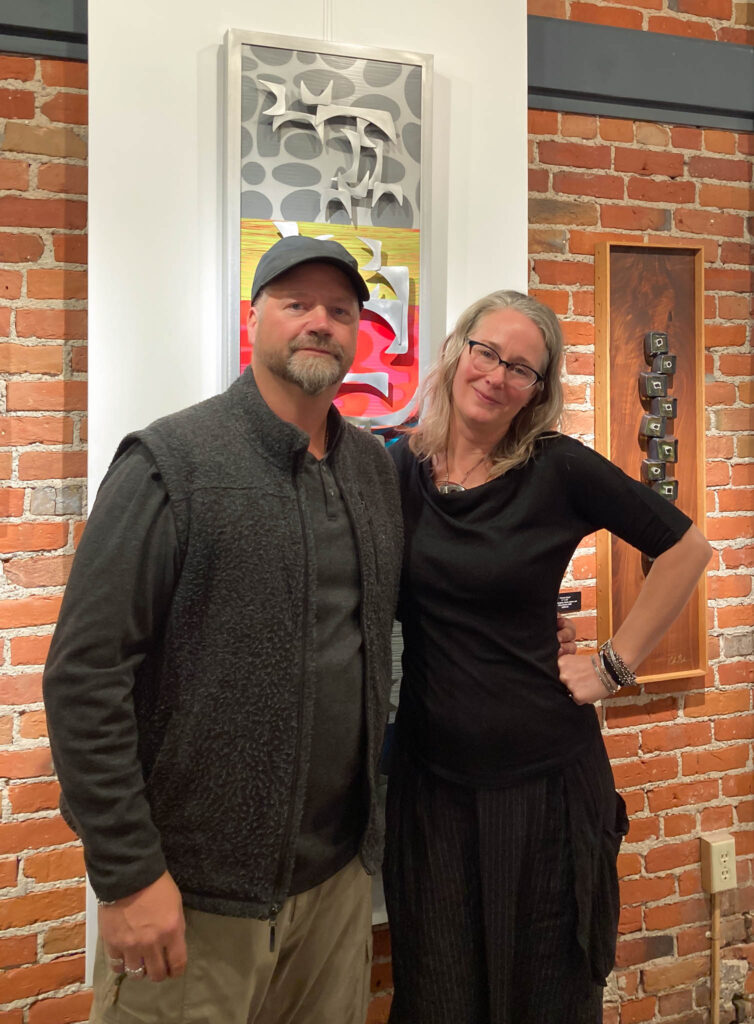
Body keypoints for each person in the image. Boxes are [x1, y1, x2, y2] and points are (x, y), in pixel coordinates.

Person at [42, 235, 405, 1024]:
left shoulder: (373, 471)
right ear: (255, 319)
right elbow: (85, 673)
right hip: (194, 899)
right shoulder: (172, 461)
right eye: (296, 304)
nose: (320, 323)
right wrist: (129, 874)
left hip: (339, 887)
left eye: (340, 311)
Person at [383, 290, 711, 1024]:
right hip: (431, 792)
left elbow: (686, 548)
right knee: (437, 1001)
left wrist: (611, 666)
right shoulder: (400, 469)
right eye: (488, 352)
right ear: (458, 349)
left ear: (539, 390)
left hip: (546, 791)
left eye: (522, 369)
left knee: (547, 999)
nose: (497, 376)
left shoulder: (556, 468)